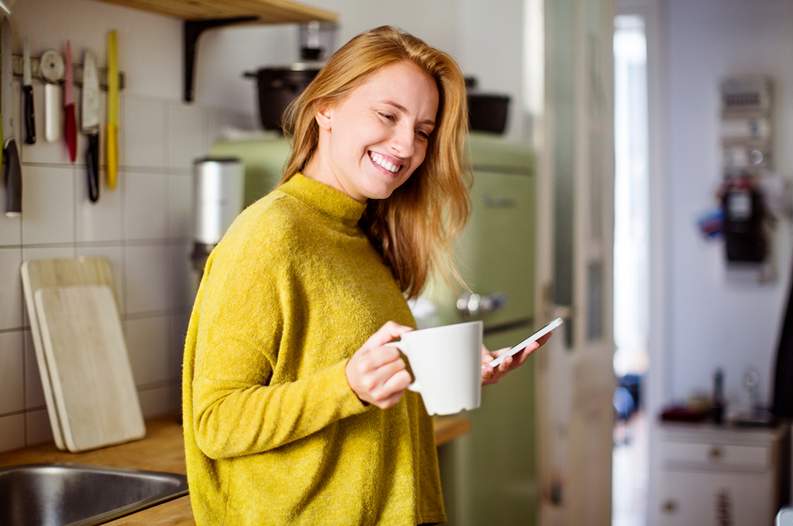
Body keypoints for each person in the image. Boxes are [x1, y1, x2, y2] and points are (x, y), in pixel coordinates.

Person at [181, 25, 548, 525]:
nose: (406, 145)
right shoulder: (270, 235)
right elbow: (216, 423)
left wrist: (442, 368)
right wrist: (348, 386)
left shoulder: (359, 235)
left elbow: (351, 381)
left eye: (422, 130)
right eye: (387, 115)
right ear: (325, 108)